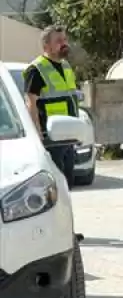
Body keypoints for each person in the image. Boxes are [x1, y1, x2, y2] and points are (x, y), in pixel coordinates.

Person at [23, 26, 81, 186]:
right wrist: (36, 134)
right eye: (59, 41)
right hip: (50, 137)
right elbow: (31, 103)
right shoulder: (36, 69)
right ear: (46, 46)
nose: (64, 44)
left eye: (65, 40)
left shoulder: (66, 66)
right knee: (55, 185)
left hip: (68, 136)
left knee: (67, 184)